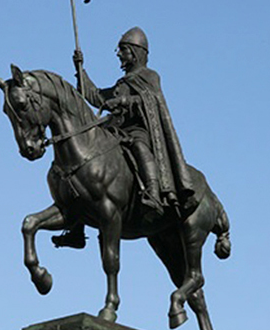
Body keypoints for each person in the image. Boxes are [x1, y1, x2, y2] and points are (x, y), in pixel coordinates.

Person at [73, 27, 195, 216]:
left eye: (123, 50)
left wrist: (123, 101)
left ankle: (153, 193)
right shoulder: (122, 83)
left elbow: (150, 101)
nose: (119, 55)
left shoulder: (149, 76)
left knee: (139, 147)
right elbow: (96, 96)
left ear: (136, 52)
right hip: (116, 131)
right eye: (119, 50)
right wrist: (81, 70)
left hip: (138, 130)